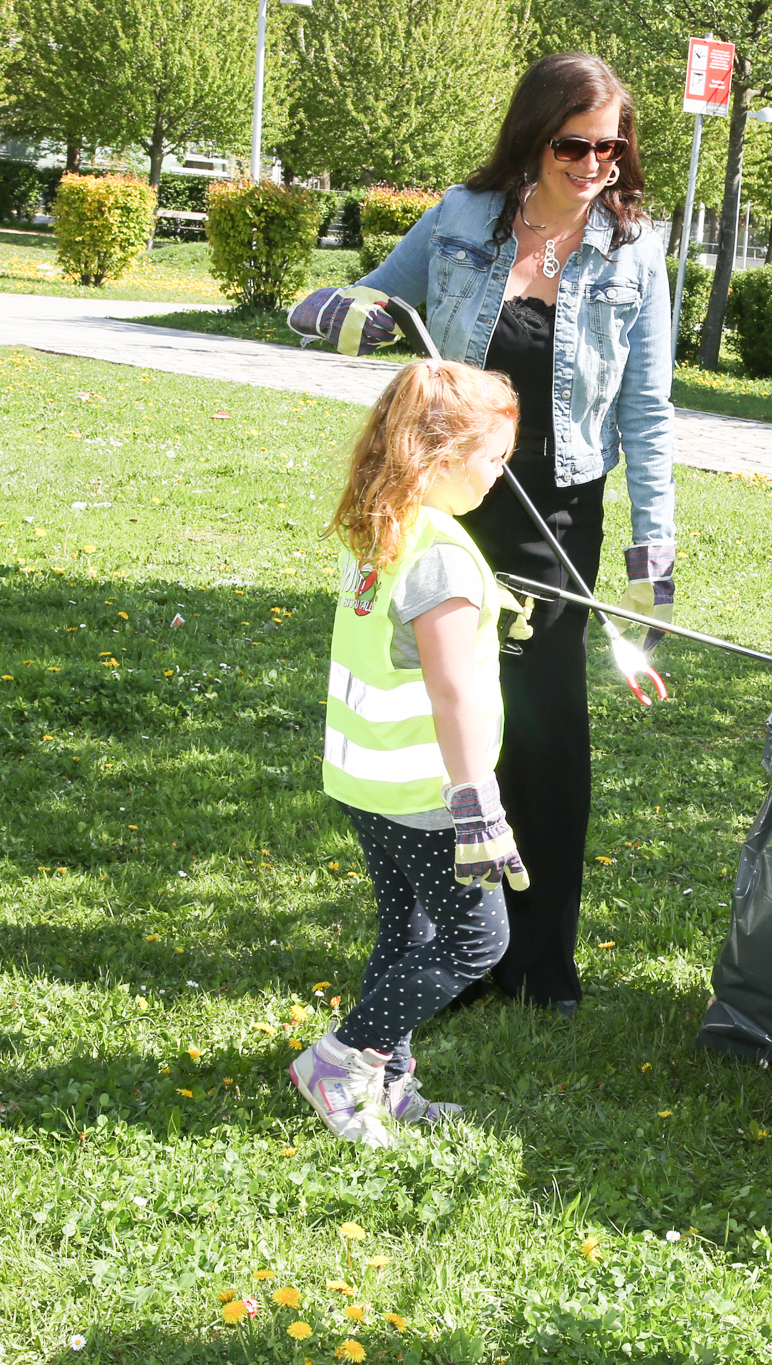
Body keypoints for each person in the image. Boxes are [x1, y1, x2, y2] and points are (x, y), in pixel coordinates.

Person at [289, 53, 675, 1013]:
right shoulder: (462, 218)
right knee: (447, 714)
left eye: (611, 146)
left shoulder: (634, 250)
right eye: (574, 145)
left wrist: (652, 540)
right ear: (533, 139)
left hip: (561, 508)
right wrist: (338, 310)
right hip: (450, 495)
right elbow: (375, 299)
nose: (595, 164)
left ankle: (539, 958)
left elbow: (649, 405)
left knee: (544, 724)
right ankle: (461, 950)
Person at [294, 359, 528, 1148]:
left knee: (412, 930)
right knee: (477, 939)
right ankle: (339, 1064)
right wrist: (478, 808)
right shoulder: (444, 558)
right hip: (428, 794)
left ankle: (386, 1085)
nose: (500, 475)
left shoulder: (384, 527)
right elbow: (453, 691)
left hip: (366, 779)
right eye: (493, 457)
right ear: (440, 452)